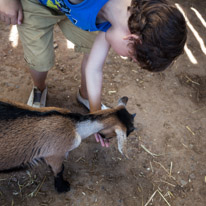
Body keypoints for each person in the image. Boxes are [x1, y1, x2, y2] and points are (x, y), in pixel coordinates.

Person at [0, 0, 187, 146]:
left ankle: (84, 95)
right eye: (131, 57)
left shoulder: (116, 20)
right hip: (37, 5)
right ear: (131, 39)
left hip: (74, 11)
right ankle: (39, 88)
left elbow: (94, 68)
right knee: (40, 61)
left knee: (90, 47)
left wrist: (97, 116)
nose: (127, 58)